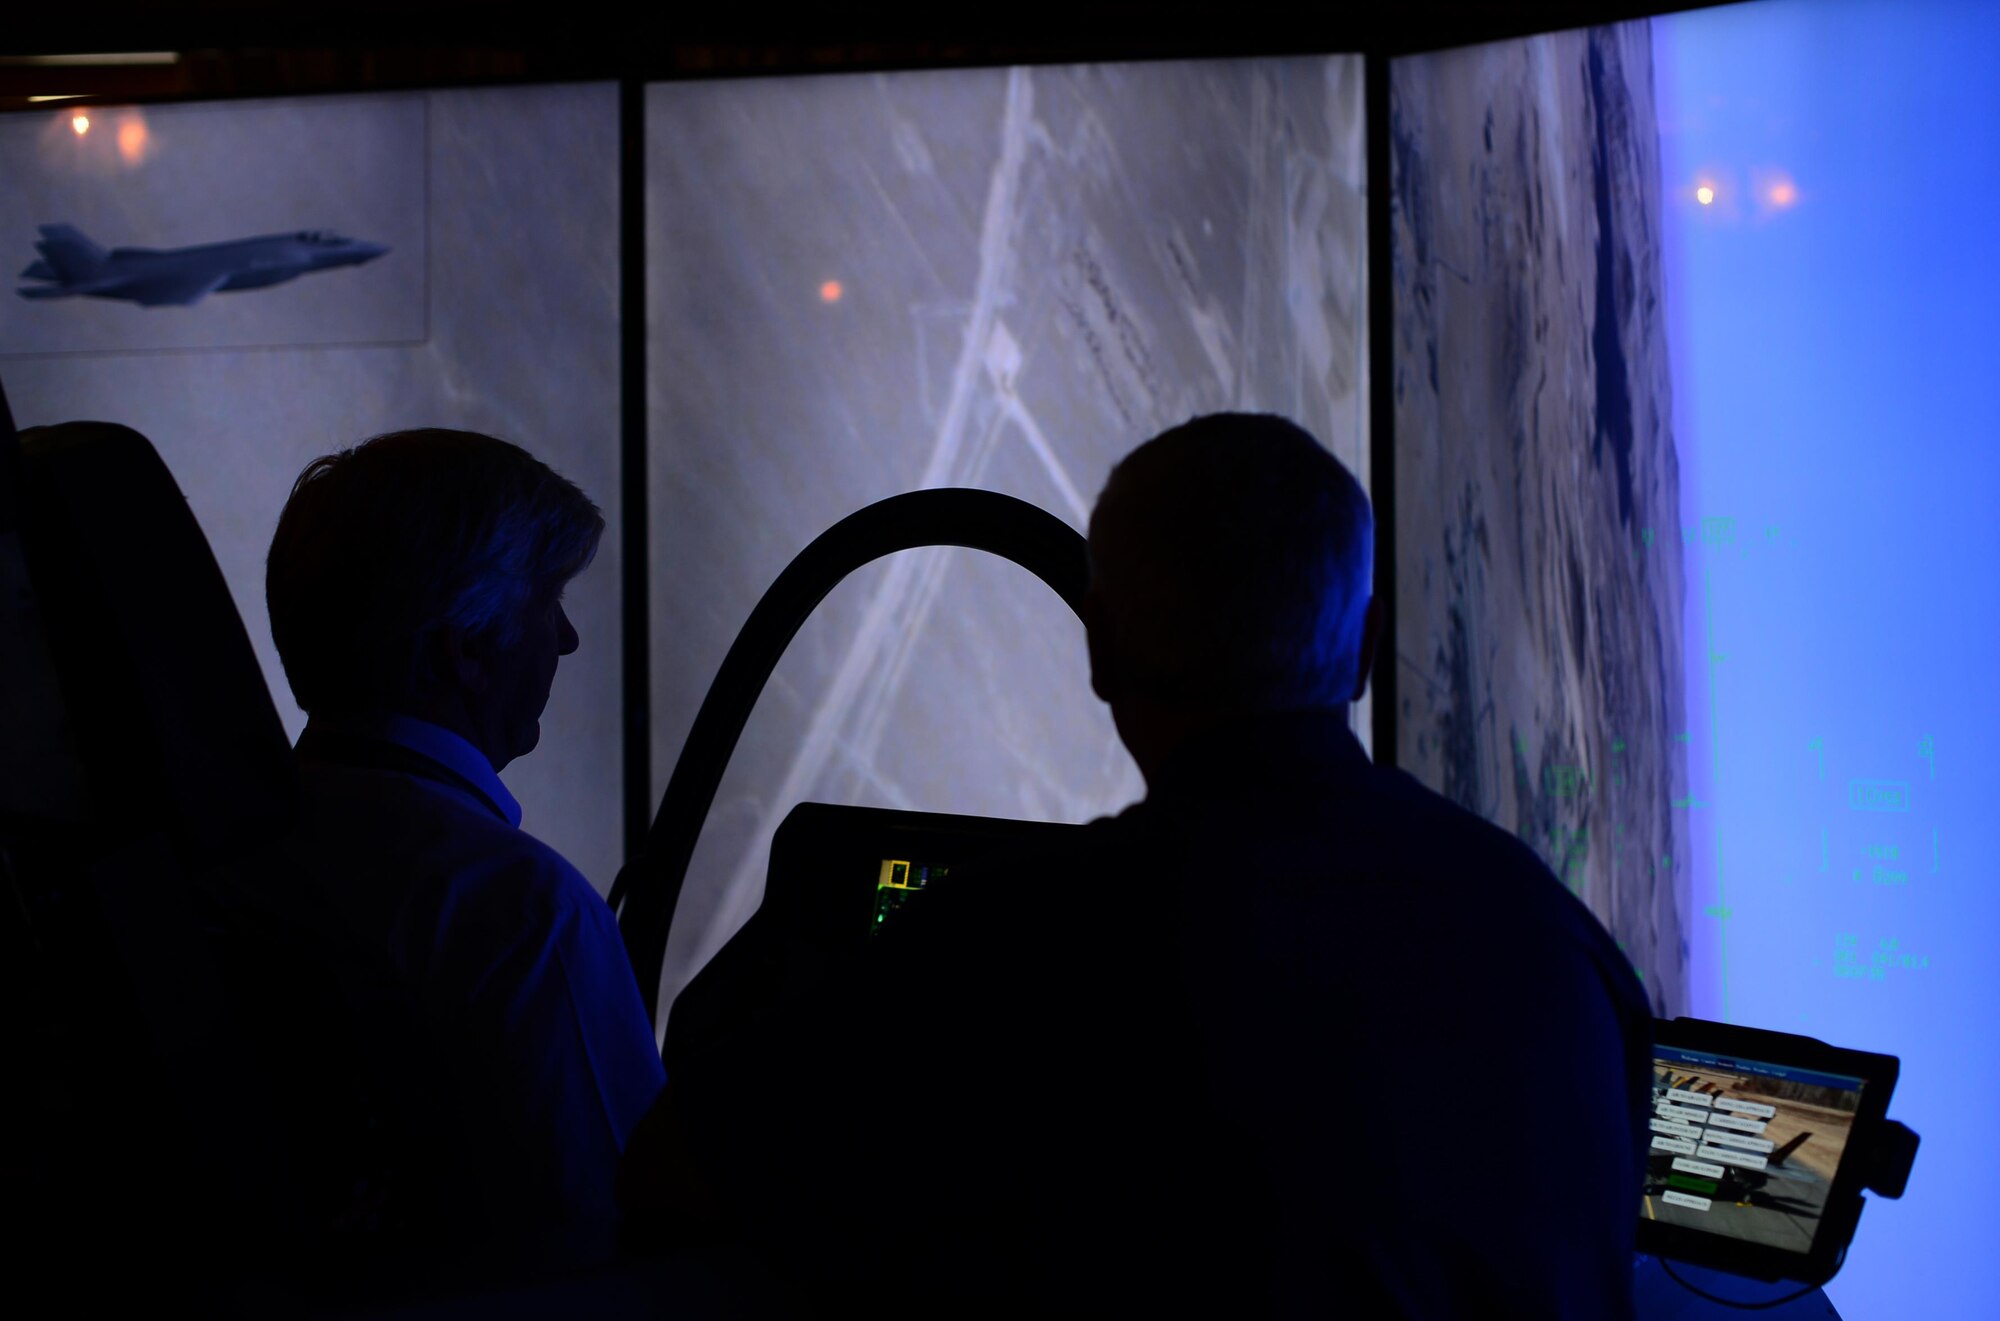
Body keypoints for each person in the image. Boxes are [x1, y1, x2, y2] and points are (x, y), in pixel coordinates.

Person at [619, 413, 1652, 1316]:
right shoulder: (1563, 948)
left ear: (1100, 650)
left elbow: (670, 1173)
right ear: (1365, 645)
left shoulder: (1019, 941)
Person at [251, 428, 664, 1281]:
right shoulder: (519, 914)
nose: (571, 639)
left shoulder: (235, 852)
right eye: (550, 598)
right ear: (464, 650)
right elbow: (627, 1239)